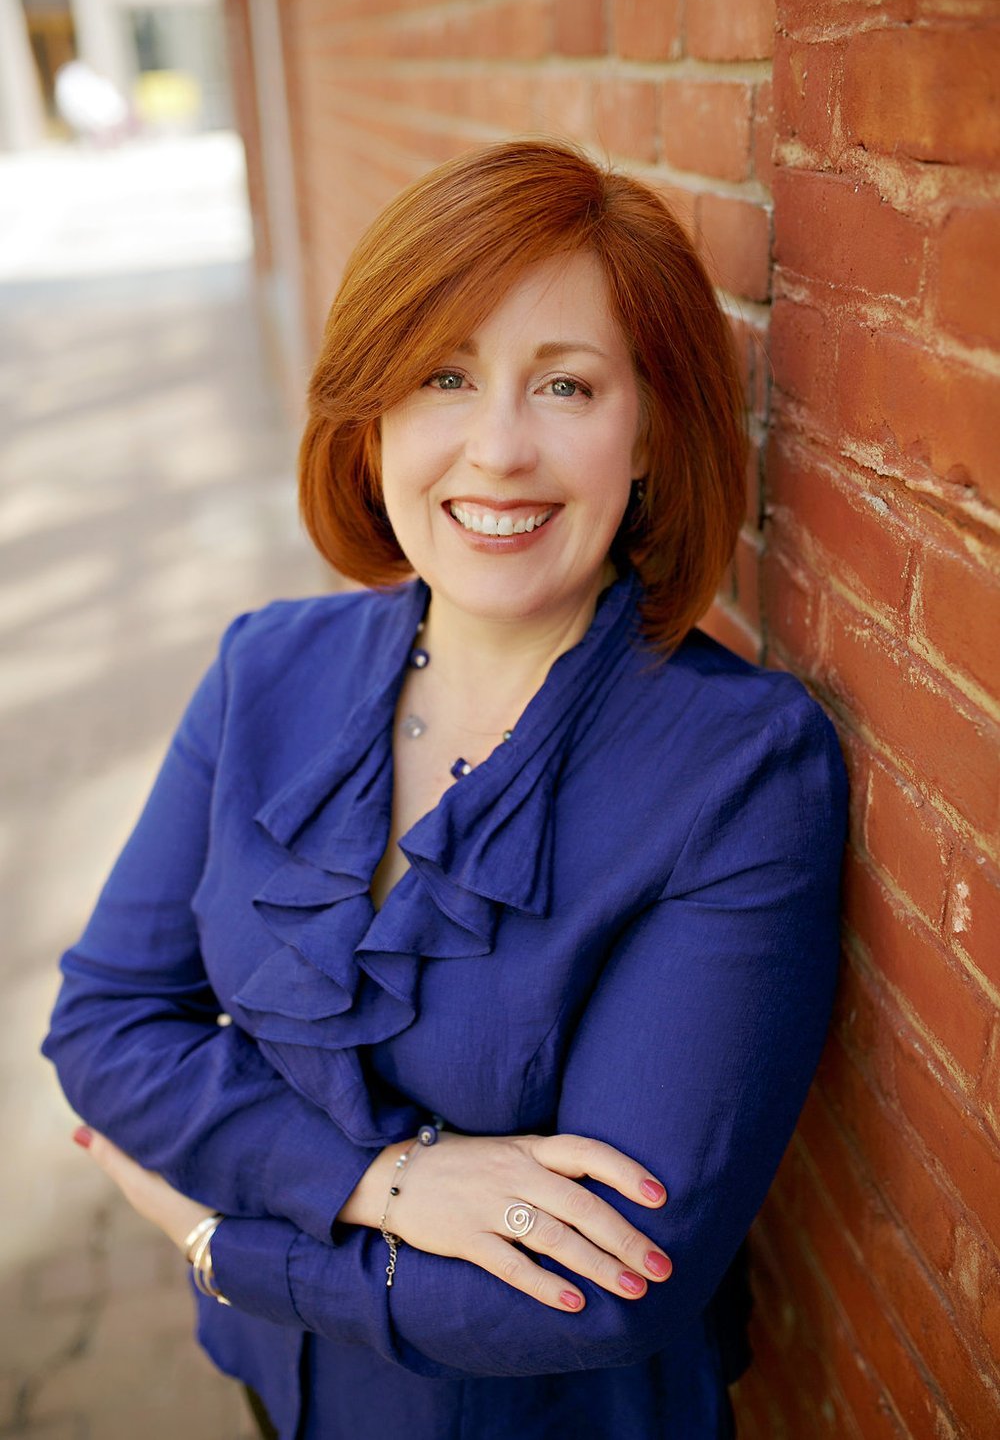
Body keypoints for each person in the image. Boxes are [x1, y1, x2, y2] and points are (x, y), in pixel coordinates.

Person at [43, 138, 847, 1439]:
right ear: (373, 417)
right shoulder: (265, 669)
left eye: (567, 386)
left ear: (650, 432)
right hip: (274, 1388)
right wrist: (385, 1181)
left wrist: (213, 1233)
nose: (498, 449)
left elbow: (597, 1294)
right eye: (444, 376)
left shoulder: (739, 773)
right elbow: (107, 1024)